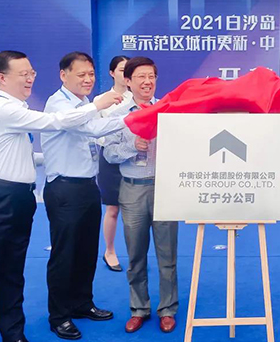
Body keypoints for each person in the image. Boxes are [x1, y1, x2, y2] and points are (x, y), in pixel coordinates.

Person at [0, 51, 123, 342]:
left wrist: (52, 158)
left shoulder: (18, 111)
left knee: (12, 270)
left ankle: (13, 333)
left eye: (32, 73)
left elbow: (23, 155)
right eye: (23, 74)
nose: (30, 78)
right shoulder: (1, 109)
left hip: (20, 197)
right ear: (2, 78)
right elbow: (54, 122)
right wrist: (97, 105)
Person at [41, 52, 130, 340]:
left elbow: (95, 129)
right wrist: (99, 106)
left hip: (88, 186)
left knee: (86, 250)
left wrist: (129, 117)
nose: (88, 79)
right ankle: (59, 316)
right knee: (64, 253)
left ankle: (82, 303)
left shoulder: (83, 105)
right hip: (64, 188)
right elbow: (83, 125)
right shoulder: (58, 104)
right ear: (63, 75)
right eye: (81, 74)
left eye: (91, 74)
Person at [103, 56, 179, 334]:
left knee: (167, 255)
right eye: (141, 77)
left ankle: (168, 309)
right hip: (132, 188)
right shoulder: (117, 114)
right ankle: (139, 308)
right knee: (136, 255)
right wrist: (132, 147)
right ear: (128, 81)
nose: (147, 82)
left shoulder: (168, 111)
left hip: (164, 188)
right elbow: (109, 154)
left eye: (151, 77)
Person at [95, 55, 133, 272]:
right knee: (112, 208)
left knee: (135, 210)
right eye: (121, 69)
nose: (125, 73)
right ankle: (109, 251)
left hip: (135, 158)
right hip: (110, 159)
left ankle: (136, 255)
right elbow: (96, 131)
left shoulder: (137, 98)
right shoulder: (101, 100)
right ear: (111, 73)